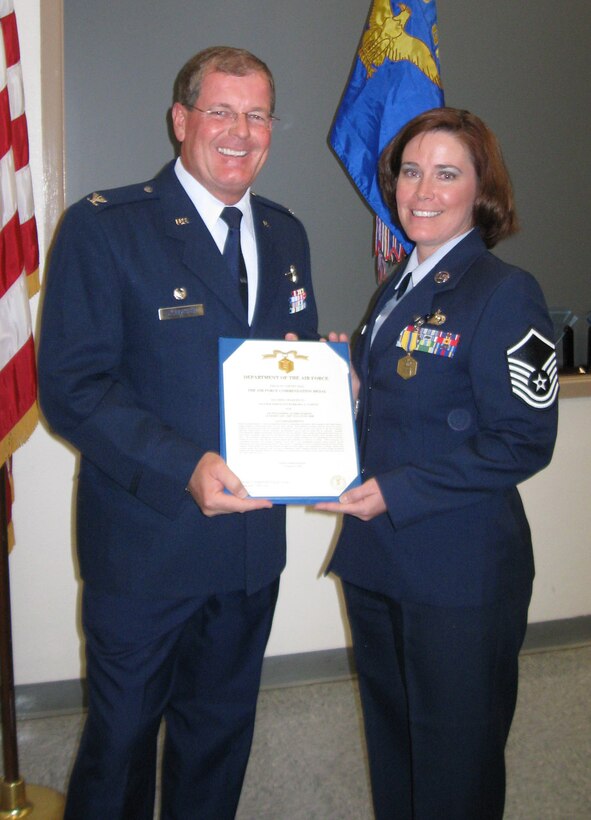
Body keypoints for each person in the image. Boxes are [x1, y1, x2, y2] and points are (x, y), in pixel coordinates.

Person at [38, 46, 318, 820]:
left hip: (251, 546)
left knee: (219, 737)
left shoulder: (285, 233)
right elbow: (74, 389)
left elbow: (286, 366)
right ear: (181, 120)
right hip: (146, 545)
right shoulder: (106, 228)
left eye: (256, 114)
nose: (239, 131)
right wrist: (182, 465)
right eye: (220, 111)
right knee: (122, 742)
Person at [316, 108, 558, 819]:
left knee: (455, 761)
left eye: (446, 172)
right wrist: (351, 386)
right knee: (394, 745)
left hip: (459, 573)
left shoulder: (504, 291)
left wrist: (395, 489)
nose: (422, 189)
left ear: (481, 189)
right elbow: (402, 401)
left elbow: (522, 439)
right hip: (379, 560)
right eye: (410, 171)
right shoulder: (397, 285)